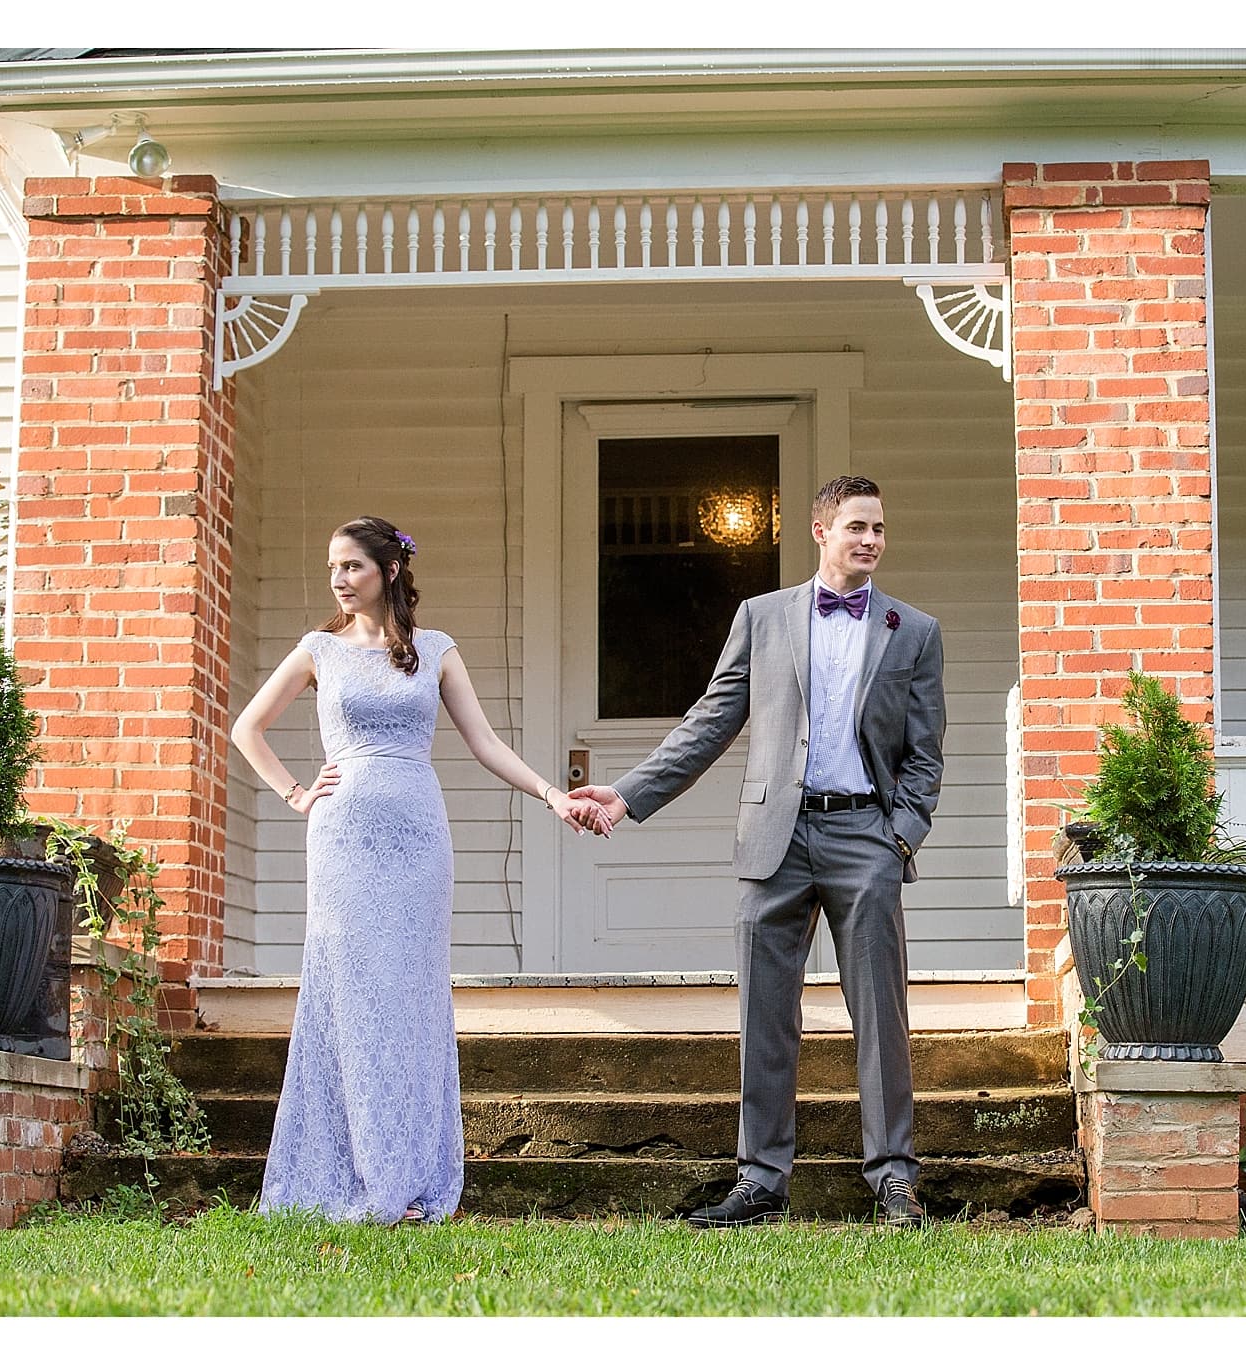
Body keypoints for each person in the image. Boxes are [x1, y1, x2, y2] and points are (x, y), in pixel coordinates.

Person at [571, 475, 946, 1228]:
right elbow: (709, 722)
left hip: (864, 837)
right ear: (820, 530)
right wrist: (629, 794)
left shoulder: (915, 631)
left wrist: (899, 833)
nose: (871, 540)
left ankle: (895, 1181)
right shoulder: (763, 617)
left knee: (880, 1013)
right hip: (775, 838)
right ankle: (761, 1182)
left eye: (879, 528)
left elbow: (925, 755)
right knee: (765, 1015)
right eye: (857, 527)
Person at [231, 515, 607, 1224]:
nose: (341, 580)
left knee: (408, 998)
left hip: (417, 837)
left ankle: (403, 1175)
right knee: (349, 995)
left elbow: (486, 741)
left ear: (391, 571)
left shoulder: (434, 651)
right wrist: (294, 794)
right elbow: (246, 727)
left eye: (354, 568)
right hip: (342, 839)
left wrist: (552, 794)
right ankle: (350, 1174)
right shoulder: (319, 649)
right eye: (334, 568)